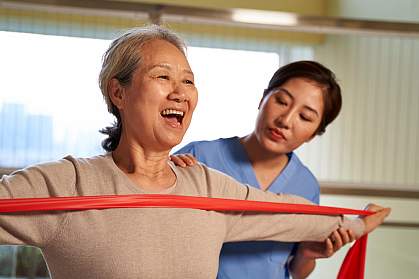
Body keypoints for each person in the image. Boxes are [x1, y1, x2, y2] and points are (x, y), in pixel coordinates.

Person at [0, 25, 390, 279]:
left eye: (188, 80)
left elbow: (291, 215)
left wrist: (356, 222)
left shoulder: (205, 186)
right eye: (162, 76)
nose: (181, 91)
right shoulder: (67, 183)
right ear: (117, 92)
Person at [172, 60, 350, 279]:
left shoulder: (306, 186)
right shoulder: (197, 157)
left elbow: (296, 271)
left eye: (305, 117)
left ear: (313, 134)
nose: (285, 120)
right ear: (262, 98)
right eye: (282, 101)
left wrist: (307, 254)